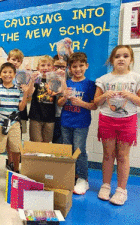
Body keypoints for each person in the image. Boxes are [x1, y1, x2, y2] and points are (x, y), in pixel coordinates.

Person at [94, 45, 140, 205]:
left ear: (131, 60)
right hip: (107, 120)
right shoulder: (104, 79)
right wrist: (105, 95)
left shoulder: (136, 78)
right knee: (108, 155)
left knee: (122, 156)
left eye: (125, 56)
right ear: (112, 60)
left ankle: (121, 190)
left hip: (127, 121)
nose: (121, 59)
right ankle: (105, 185)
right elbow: (96, 102)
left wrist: (132, 97)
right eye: (117, 56)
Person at [0, 62, 35, 188]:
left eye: (10, 72)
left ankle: (16, 171)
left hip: (14, 124)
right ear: (0, 74)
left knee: (16, 150)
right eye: (4, 72)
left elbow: (21, 107)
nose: (7, 74)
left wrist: (25, 93)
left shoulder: (18, 89)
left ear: (14, 74)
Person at [58, 52, 96, 195]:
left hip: (81, 123)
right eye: (74, 66)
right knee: (67, 150)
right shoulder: (66, 83)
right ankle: (69, 176)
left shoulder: (90, 84)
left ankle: (83, 179)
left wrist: (81, 103)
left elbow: (94, 106)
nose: (78, 69)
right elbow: (60, 103)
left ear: (86, 66)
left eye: (81, 66)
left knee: (79, 151)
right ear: (69, 68)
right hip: (65, 121)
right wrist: (65, 97)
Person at [6, 49, 27, 171]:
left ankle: (16, 163)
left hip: (19, 111)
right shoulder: (3, 73)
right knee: (8, 140)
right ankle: (10, 161)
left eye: (18, 61)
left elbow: (27, 94)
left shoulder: (23, 75)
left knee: (16, 139)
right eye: (13, 59)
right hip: (6, 112)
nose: (15, 62)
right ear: (8, 59)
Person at [29, 55, 57, 143]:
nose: (46, 68)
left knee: (46, 144)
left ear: (53, 68)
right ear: (38, 68)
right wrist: (32, 81)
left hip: (50, 117)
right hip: (36, 117)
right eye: (43, 65)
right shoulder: (36, 80)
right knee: (36, 143)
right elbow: (29, 94)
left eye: (49, 65)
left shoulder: (55, 80)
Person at [52, 55, 68, 144]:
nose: (60, 69)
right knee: (54, 141)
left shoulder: (69, 78)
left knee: (62, 141)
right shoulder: (49, 78)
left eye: (63, 67)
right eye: (57, 66)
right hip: (51, 115)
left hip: (64, 115)